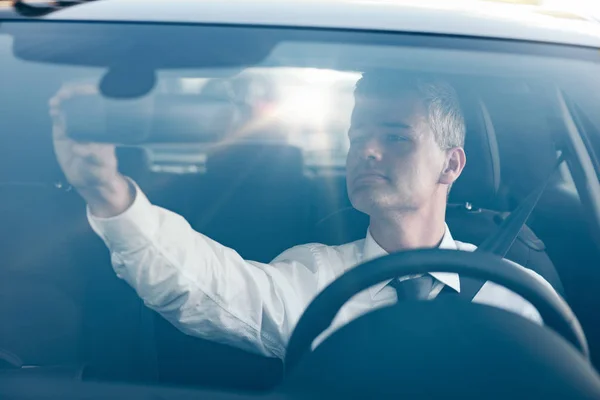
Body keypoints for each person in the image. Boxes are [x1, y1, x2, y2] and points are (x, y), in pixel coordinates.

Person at [51, 72, 558, 360]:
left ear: (452, 163)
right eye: (357, 137)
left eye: (395, 137)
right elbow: (208, 287)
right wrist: (108, 192)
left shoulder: (518, 294)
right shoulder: (317, 277)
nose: (368, 152)